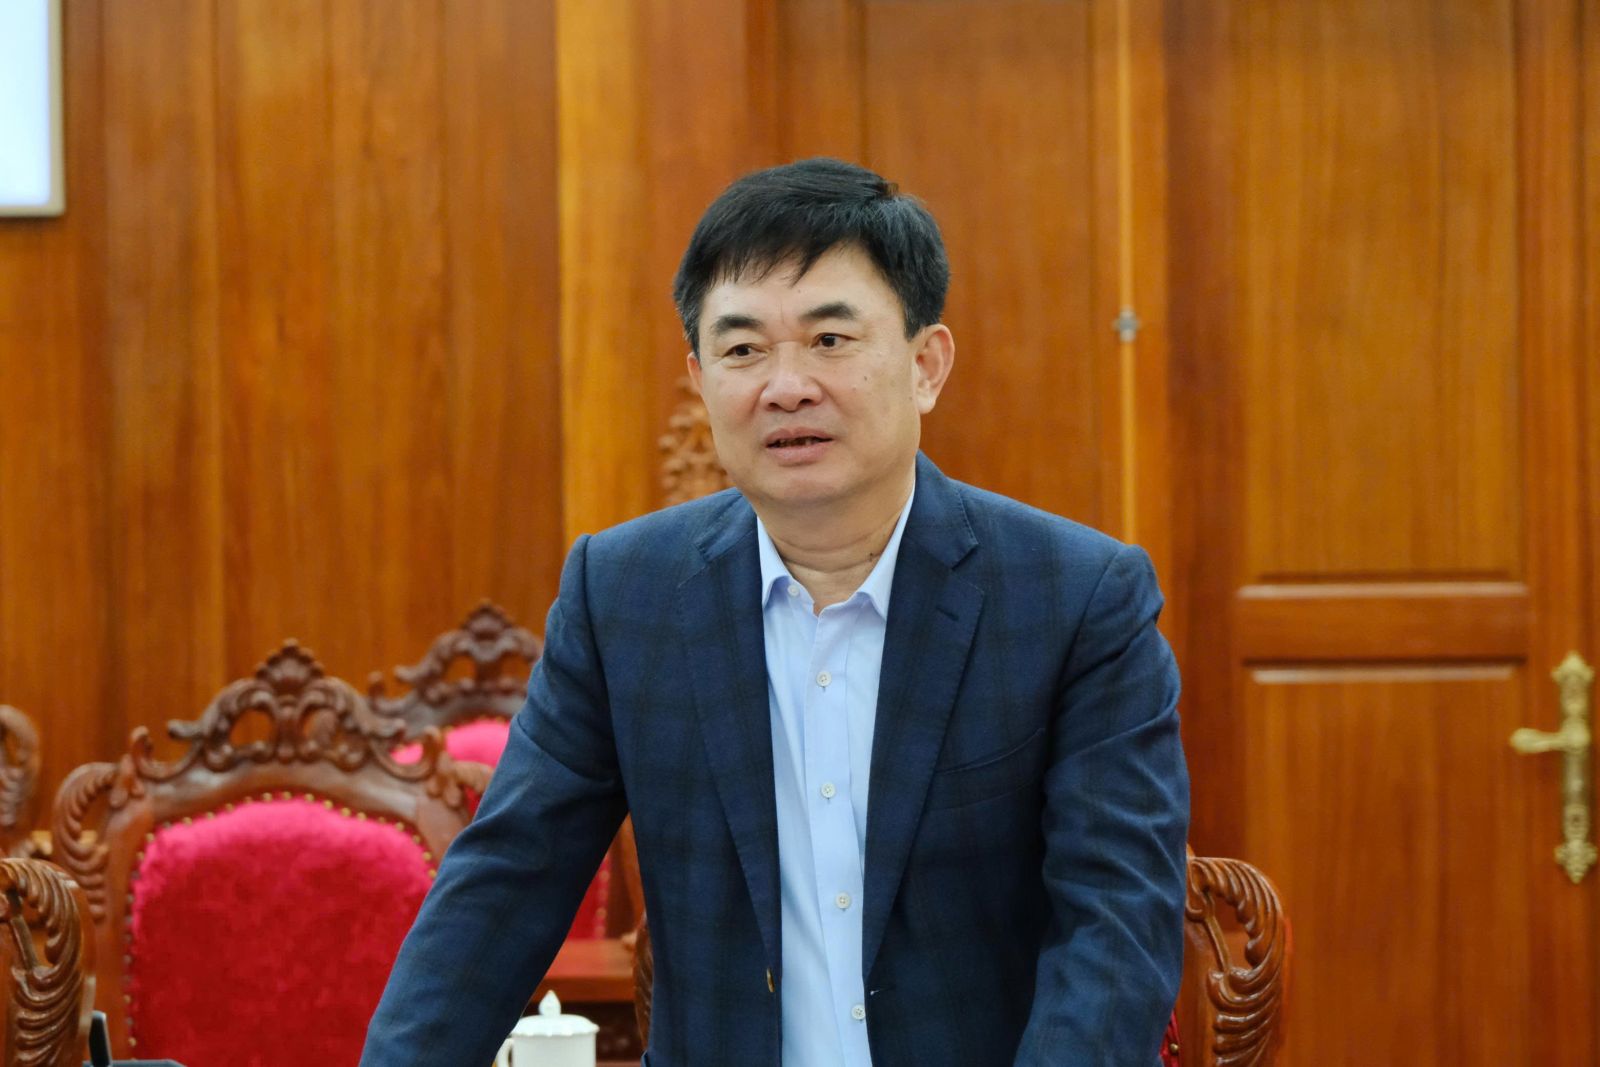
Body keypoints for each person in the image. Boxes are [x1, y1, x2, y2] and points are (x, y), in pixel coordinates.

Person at [360, 158, 1188, 1066]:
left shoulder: (1076, 600)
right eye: (743, 349)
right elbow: (505, 883)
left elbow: (1116, 927)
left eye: (830, 339)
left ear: (926, 365)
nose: (785, 386)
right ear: (700, 377)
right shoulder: (623, 593)